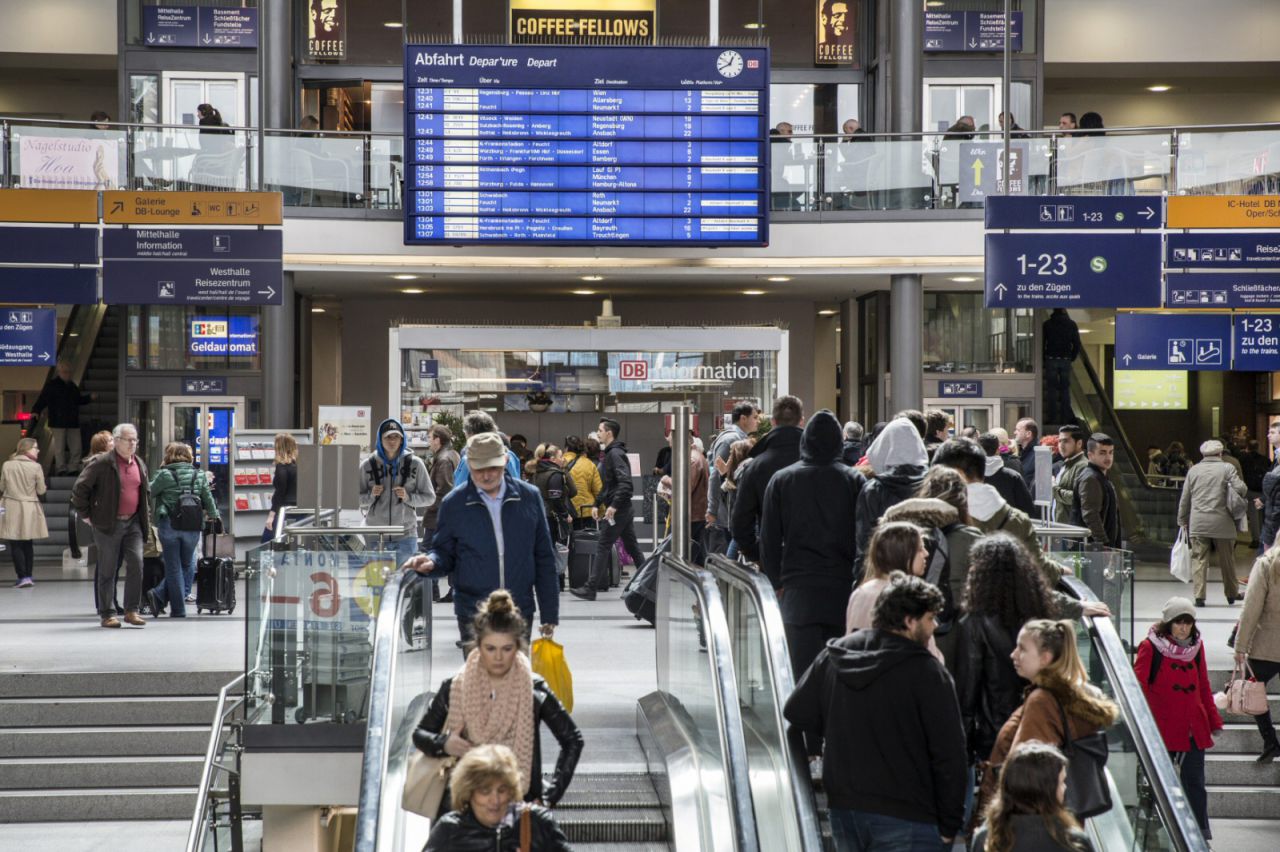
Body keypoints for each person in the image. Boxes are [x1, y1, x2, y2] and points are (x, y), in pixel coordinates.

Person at [784, 572, 967, 849]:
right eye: (930, 618)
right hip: (909, 815)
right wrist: (950, 825)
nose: (935, 625)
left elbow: (797, 711)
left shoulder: (835, 656)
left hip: (844, 809)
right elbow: (950, 754)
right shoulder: (928, 673)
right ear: (909, 621)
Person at [414, 591, 581, 811]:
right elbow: (420, 734)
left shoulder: (534, 690)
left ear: (518, 647)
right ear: (478, 646)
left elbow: (572, 740)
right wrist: (445, 744)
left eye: (507, 649)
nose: (498, 657)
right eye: (490, 649)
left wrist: (550, 796)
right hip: (464, 805)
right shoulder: (455, 686)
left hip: (519, 804)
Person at [406, 433, 559, 646]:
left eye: (493, 468)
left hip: (518, 609)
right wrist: (431, 562)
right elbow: (444, 552)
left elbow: (544, 557)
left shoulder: (528, 497)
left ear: (505, 461)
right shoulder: (455, 503)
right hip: (473, 611)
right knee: (477, 676)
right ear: (468, 465)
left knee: (515, 676)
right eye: (479, 469)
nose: (486, 476)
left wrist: (549, 614)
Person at [760, 410, 867, 686]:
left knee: (801, 676)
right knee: (840, 675)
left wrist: (776, 581)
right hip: (843, 590)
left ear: (804, 441)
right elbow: (865, 537)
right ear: (838, 443)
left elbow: (769, 539)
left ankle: (802, 728)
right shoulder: (854, 480)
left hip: (798, 593)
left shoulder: (782, 480)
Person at [955, 535, 1080, 770]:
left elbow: (967, 692)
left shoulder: (975, 622)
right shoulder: (1041, 612)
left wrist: (964, 747)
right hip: (1044, 724)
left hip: (995, 734)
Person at [976, 619, 1119, 818]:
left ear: (1045, 658)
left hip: (1026, 822)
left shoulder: (1042, 702)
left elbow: (1026, 775)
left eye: (1022, 649)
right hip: (1055, 821)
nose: (1013, 654)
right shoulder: (1065, 698)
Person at [1135, 597, 1221, 838]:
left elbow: (1203, 684)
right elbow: (1138, 686)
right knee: (1157, 783)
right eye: (1178, 622)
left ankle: (1200, 836)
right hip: (1161, 728)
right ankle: (1151, 834)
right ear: (1168, 623)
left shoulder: (1197, 646)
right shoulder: (1150, 647)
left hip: (1193, 727)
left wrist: (1213, 719)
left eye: (1188, 622)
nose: (1184, 628)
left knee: (1195, 783)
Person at [934, 438, 1066, 586]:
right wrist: (1060, 570)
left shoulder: (936, 518)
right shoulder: (1018, 520)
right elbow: (1040, 568)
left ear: (955, 473)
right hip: (1007, 602)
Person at [71, 423, 152, 629]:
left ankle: (131, 610)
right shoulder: (102, 463)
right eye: (128, 440)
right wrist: (87, 515)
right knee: (107, 569)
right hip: (108, 523)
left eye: (135, 440)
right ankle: (107, 613)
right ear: (116, 441)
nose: (133, 443)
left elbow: (144, 493)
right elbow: (80, 489)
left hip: (133, 522)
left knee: (137, 564)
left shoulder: (139, 463)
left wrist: (146, 517)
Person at [424, 743, 571, 851]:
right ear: (469, 792)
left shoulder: (538, 823)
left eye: (502, 790)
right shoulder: (450, 830)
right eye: (485, 791)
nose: (495, 801)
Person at [845, 521, 944, 663]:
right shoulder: (906, 597)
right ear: (903, 554)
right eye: (920, 549)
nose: (926, 554)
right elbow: (931, 656)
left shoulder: (860, 592)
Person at [569, 418, 645, 600]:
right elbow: (609, 485)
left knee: (603, 544)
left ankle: (591, 587)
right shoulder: (612, 453)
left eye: (600, 430)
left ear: (609, 433)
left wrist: (613, 506)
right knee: (632, 546)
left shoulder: (615, 454)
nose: (598, 433)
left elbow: (625, 483)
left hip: (619, 510)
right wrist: (597, 503)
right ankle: (649, 580)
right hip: (622, 509)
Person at [970, 741, 1095, 852]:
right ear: (1047, 790)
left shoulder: (986, 840)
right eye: (1062, 782)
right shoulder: (1075, 842)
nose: (1065, 788)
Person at [144, 442, 219, 618]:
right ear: (189, 456)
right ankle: (160, 596)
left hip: (169, 524)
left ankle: (174, 607)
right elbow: (208, 498)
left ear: (169, 456)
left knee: (173, 567)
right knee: (187, 565)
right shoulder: (198, 474)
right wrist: (214, 515)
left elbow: (149, 491)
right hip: (192, 527)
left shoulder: (164, 474)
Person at [730, 395, 805, 564]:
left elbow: (740, 523)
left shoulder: (755, 467)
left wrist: (760, 554)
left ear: (772, 422)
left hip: (773, 560)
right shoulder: (818, 463)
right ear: (801, 421)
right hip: (816, 564)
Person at [853, 417, 928, 581]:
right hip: (925, 578)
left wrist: (860, 584)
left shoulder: (873, 489)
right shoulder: (932, 486)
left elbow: (864, 543)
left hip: (881, 578)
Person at [1178, 439, 1245, 606]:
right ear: (1220, 454)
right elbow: (1241, 489)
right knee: (1227, 559)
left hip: (1198, 522)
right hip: (1223, 521)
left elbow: (1185, 498)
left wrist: (1182, 519)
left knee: (1199, 559)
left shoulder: (1193, 470)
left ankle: (1199, 596)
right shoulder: (1227, 468)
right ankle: (1231, 593)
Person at [360, 419, 435, 567]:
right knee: (377, 586)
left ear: (402, 439)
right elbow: (354, 499)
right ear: (380, 439)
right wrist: (371, 496)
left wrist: (408, 498)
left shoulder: (416, 463)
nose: (392, 441)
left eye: (396, 437)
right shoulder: (367, 465)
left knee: (405, 585)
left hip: (405, 536)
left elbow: (430, 497)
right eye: (388, 437)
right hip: (375, 536)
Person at [1235, 545, 1280, 764]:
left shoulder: (1266, 564)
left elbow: (1251, 608)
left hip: (1266, 645)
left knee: (1253, 690)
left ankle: (1270, 740)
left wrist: (1240, 646)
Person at [706, 402, 759, 557]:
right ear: (743, 418)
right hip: (728, 512)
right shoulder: (731, 440)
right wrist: (712, 509)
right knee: (727, 557)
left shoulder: (737, 439)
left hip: (731, 510)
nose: (758, 421)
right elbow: (716, 475)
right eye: (754, 417)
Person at [30, 360, 93, 475]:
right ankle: (62, 468)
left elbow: (78, 400)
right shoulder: (54, 385)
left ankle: (71, 467)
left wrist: (89, 398)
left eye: (68, 372)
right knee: (60, 447)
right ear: (59, 372)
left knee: (75, 447)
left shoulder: (71, 386)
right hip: (60, 421)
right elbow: (43, 399)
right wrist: (36, 410)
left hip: (68, 421)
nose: (67, 374)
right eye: (65, 372)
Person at [0, 438, 47, 588]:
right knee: (28, 542)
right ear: (25, 449)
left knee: (15, 542)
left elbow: (2, 486)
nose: (38, 450)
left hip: (11, 505)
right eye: (35, 448)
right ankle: (28, 575)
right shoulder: (36, 467)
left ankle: (21, 577)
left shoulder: (7, 465)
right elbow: (41, 490)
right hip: (29, 507)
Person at [1073, 433, 1122, 549]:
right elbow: (1091, 515)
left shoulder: (1099, 476)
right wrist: (1103, 544)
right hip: (1094, 548)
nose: (1108, 457)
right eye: (1102, 453)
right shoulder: (1091, 478)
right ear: (1090, 455)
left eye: (1111, 452)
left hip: (1096, 546)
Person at [453, 411, 523, 487]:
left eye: (465, 433)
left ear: (471, 434)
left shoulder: (469, 459)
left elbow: (459, 488)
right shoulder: (511, 456)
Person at [530, 443, 575, 555]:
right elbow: (556, 498)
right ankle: (557, 573)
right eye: (561, 457)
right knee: (553, 550)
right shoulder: (555, 474)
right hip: (551, 517)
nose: (563, 459)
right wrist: (565, 514)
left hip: (537, 514)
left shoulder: (536, 472)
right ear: (553, 459)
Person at [978, 433, 1035, 516]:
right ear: (998, 450)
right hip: (1008, 525)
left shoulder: (969, 477)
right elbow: (1028, 509)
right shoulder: (1013, 476)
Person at [1042, 310, 1082, 426]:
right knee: (1065, 390)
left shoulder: (1047, 324)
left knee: (1052, 390)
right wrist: (1072, 357)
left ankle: (1053, 418)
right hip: (1065, 359)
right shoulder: (1071, 324)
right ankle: (1065, 419)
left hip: (1051, 358)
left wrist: (1043, 357)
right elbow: (1077, 343)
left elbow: (1043, 341)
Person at [262, 433, 298, 544]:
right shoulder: (297, 465)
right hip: (299, 509)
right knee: (293, 541)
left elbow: (280, 492)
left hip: (284, 510)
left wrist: (271, 515)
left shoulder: (281, 467)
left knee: (268, 541)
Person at [561, 435, 602, 531]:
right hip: (586, 511)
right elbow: (598, 490)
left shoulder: (559, 462)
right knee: (585, 542)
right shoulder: (589, 464)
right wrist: (601, 511)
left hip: (565, 511)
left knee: (564, 543)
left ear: (566, 448)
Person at [1052, 425, 1087, 525]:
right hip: (1062, 528)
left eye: (1066, 441)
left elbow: (1078, 498)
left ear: (1079, 443)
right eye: (1059, 441)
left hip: (1072, 531)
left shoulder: (1083, 466)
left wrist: (1054, 489)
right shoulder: (1067, 463)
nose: (1061, 446)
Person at [1241, 439, 1270, 548]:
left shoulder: (1243, 459)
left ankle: (1256, 539)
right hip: (1262, 490)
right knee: (1262, 515)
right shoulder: (1265, 459)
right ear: (1258, 447)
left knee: (1253, 515)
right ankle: (1264, 538)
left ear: (1247, 447)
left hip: (1249, 489)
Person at [1259, 420, 1280, 551]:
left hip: (1275, 514)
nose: (1268, 435)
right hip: (1273, 512)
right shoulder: (1276, 455)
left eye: (1272, 432)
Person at [1013, 419, 1039, 493]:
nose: (1014, 432)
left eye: (1017, 430)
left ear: (1028, 434)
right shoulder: (1020, 451)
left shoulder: (1038, 455)